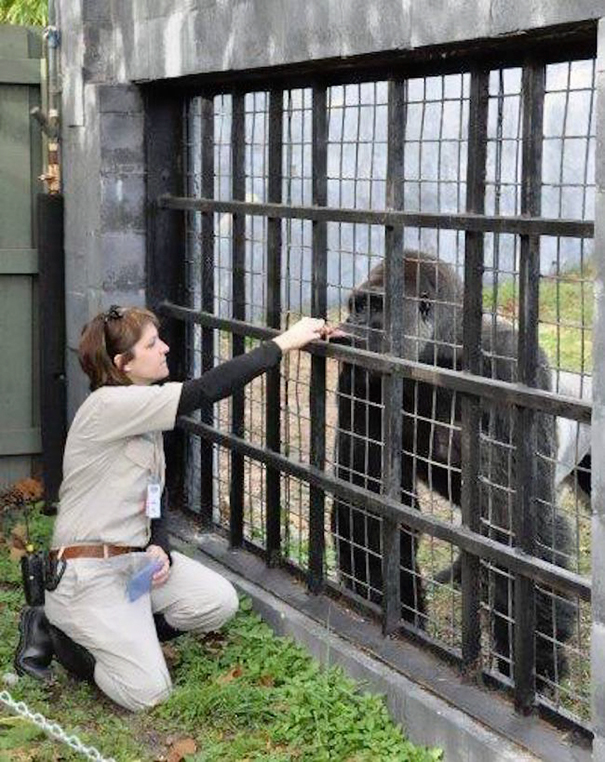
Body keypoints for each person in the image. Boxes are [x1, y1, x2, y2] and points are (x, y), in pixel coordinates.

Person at [14, 305, 331, 711]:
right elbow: (204, 391)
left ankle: (124, 634)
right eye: (152, 344)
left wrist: (159, 543)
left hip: (133, 568)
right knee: (149, 694)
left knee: (216, 601)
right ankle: (58, 635)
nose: (165, 348)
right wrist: (285, 342)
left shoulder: (143, 413)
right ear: (122, 363)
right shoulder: (108, 406)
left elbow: (153, 496)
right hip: (88, 576)